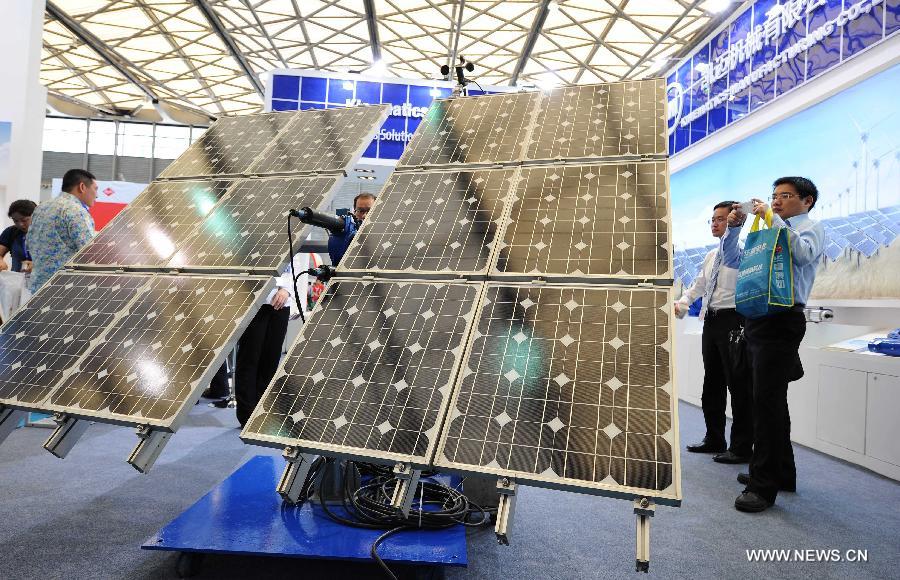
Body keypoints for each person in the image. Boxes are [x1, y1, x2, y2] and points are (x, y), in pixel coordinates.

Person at [724, 176, 825, 513]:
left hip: (783, 319)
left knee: (766, 403)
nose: (777, 201)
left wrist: (774, 217)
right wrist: (736, 229)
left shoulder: (809, 227)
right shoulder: (767, 230)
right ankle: (782, 472)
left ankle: (762, 486)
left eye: (786, 196)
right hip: (759, 317)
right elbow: (736, 261)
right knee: (767, 400)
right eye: (774, 196)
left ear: (807, 200)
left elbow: (802, 254)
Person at [676, 201, 753, 464]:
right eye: (712, 219)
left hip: (735, 321)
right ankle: (714, 438)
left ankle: (742, 447)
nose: (715, 223)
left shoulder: (742, 254)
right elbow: (699, 284)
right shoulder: (711, 256)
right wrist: (684, 302)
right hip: (711, 321)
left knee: (738, 385)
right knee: (713, 383)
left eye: (721, 219)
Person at [233, 253, 310, 426]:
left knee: (271, 359)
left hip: (282, 304)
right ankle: (246, 415)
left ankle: (263, 410)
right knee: (249, 358)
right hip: (256, 300)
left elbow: (296, 265)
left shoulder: (295, 233)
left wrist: (286, 290)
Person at [27, 169, 97, 292]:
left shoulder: (41, 208)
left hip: (37, 286)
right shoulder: (76, 211)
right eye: (95, 189)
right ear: (82, 187)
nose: (97, 195)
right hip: (64, 289)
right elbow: (89, 251)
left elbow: (29, 242)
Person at [327, 193, 375, 265]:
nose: (364, 215)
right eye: (360, 211)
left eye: (369, 211)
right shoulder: (346, 230)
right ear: (354, 212)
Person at [0, 199, 36, 273]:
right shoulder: (11, 232)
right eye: (15, 221)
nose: (20, 224)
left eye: (24, 220)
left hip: (41, 281)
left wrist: (38, 265)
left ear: (35, 216)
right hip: (17, 280)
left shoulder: (45, 233)